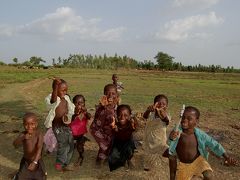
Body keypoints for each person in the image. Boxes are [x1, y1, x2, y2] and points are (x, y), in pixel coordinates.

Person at [168, 106, 237, 180]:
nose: (184, 120)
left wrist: (226, 157)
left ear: (196, 121)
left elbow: (214, 144)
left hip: (198, 161)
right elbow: (171, 141)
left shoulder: (200, 135)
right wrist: (171, 137)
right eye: (183, 117)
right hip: (184, 165)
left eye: (189, 119)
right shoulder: (177, 132)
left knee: (209, 175)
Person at [44, 78, 75, 171]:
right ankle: (59, 162)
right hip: (56, 126)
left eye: (66, 90)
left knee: (71, 142)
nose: (65, 92)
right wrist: (55, 88)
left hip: (65, 125)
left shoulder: (66, 98)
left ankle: (66, 161)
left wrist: (68, 117)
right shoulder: (52, 98)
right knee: (63, 143)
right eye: (62, 90)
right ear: (55, 89)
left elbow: (70, 110)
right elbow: (52, 102)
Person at [90, 84, 118, 166]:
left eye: (113, 93)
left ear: (116, 94)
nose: (110, 96)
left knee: (108, 144)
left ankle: (103, 158)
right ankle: (99, 161)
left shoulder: (116, 106)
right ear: (104, 94)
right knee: (105, 144)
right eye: (107, 93)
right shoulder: (101, 105)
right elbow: (97, 118)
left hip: (109, 130)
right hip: (97, 129)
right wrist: (102, 107)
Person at [13, 112, 47, 180]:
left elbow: (39, 148)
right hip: (26, 162)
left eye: (32, 124)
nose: (29, 127)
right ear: (23, 125)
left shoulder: (39, 134)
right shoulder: (23, 134)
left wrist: (35, 162)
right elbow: (15, 144)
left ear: (36, 124)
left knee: (42, 178)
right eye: (26, 125)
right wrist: (22, 138)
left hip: (37, 161)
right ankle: (17, 175)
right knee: (20, 178)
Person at [143, 94, 171, 171]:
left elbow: (166, 120)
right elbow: (144, 117)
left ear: (167, 106)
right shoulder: (151, 114)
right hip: (149, 143)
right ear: (154, 104)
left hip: (161, 143)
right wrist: (148, 110)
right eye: (159, 103)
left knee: (171, 154)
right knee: (147, 168)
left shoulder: (167, 116)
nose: (161, 105)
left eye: (164, 104)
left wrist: (162, 114)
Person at [108, 104, 137, 171]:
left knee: (129, 151)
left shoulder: (130, 124)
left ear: (130, 116)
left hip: (128, 142)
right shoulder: (115, 125)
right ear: (116, 115)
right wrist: (113, 128)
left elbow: (133, 128)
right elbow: (115, 130)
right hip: (117, 143)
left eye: (125, 115)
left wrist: (133, 126)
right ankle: (122, 160)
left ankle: (128, 159)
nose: (122, 117)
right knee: (112, 160)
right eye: (119, 115)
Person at [69, 94, 91, 166]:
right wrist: (75, 114)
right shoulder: (72, 111)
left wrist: (85, 112)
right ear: (73, 104)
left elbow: (89, 117)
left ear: (84, 103)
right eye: (77, 103)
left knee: (80, 147)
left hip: (82, 133)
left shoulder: (85, 112)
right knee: (70, 144)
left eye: (81, 102)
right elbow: (71, 120)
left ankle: (81, 156)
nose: (79, 104)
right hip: (73, 133)